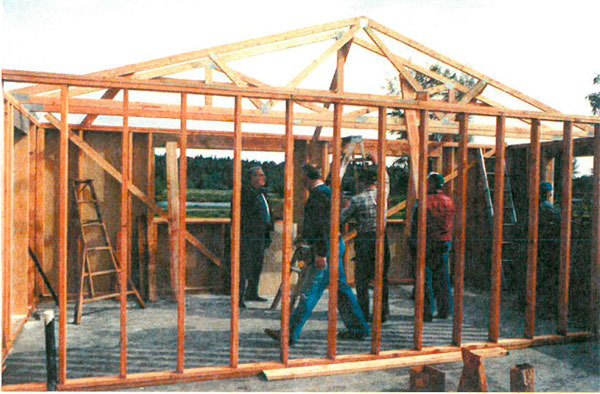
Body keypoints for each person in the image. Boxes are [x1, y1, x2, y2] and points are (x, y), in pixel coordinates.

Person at [264, 164, 370, 345]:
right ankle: (359, 327)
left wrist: (320, 254)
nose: (301, 181)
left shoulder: (318, 196)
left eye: (302, 177)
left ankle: (288, 334)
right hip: (335, 244)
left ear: (307, 177)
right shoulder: (327, 193)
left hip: (326, 248)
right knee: (341, 290)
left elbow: (322, 226)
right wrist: (306, 237)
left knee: (309, 291)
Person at [340, 165, 390, 323]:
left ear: (362, 182)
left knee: (362, 280)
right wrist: (378, 163)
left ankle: (364, 314)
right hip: (382, 239)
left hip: (365, 241)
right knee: (381, 277)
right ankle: (382, 314)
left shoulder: (357, 200)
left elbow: (342, 219)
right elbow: (387, 181)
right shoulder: (383, 195)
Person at [411, 172, 455, 322]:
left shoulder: (424, 202)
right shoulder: (449, 201)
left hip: (427, 243)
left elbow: (415, 225)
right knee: (443, 277)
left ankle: (426, 312)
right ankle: (445, 310)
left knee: (425, 278)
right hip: (444, 242)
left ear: (431, 184)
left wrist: (413, 242)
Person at [238, 166, 274, 307]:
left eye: (263, 175)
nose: (263, 178)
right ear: (252, 178)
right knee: (244, 267)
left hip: (261, 236)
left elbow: (267, 211)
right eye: (260, 175)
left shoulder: (262, 193)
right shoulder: (245, 193)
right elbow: (243, 215)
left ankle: (252, 292)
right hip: (248, 236)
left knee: (256, 266)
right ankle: (239, 297)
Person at [537, 181, 561, 317]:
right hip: (547, 244)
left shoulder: (537, 204)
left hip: (539, 243)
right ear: (548, 193)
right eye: (550, 192)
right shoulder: (546, 205)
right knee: (548, 277)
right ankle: (545, 310)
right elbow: (560, 216)